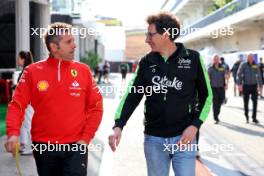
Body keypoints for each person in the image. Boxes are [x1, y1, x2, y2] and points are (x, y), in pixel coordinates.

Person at [108, 12, 213, 176]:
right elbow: (133, 94)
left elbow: (207, 96)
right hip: (154, 139)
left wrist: (195, 125)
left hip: (184, 137)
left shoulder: (193, 58)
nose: (146, 40)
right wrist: (118, 125)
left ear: (166, 35)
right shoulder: (146, 62)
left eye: (151, 35)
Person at [5, 22, 103, 176]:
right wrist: (13, 133)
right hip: (44, 147)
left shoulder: (83, 71)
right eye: (69, 42)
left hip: (76, 146)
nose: (74, 45)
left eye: (74, 41)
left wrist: (85, 139)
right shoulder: (32, 71)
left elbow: (96, 106)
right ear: (54, 47)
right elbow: (17, 104)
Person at [17, 51, 34, 155]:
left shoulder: (27, 71)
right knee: (24, 124)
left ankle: (33, 147)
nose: (17, 60)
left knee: (29, 125)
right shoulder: (27, 70)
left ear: (23, 59)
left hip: (28, 103)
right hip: (25, 103)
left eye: (19, 58)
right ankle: (23, 144)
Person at [237, 53, 262, 124]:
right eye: (249, 57)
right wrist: (239, 84)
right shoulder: (243, 65)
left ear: (253, 58)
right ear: (247, 58)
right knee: (246, 102)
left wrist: (260, 85)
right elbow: (239, 74)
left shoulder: (255, 65)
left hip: (254, 86)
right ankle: (246, 116)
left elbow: (259, 75)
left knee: (255, 102)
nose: (251, 59)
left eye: (252, 57)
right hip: (246, 86)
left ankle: (254, 118)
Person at [208, 55, 228, 124]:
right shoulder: (210, 68)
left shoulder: (222, 67)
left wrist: (226, 84)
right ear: (213, 60)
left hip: (221, 87)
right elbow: (208, 78)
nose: (216, 60)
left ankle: (217, 113)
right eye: (215, 59)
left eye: (217, 59)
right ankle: (215, 117)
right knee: (215, 102)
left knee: (221, 100)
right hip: (213, 87)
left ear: (219, 59)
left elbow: (225, 76)